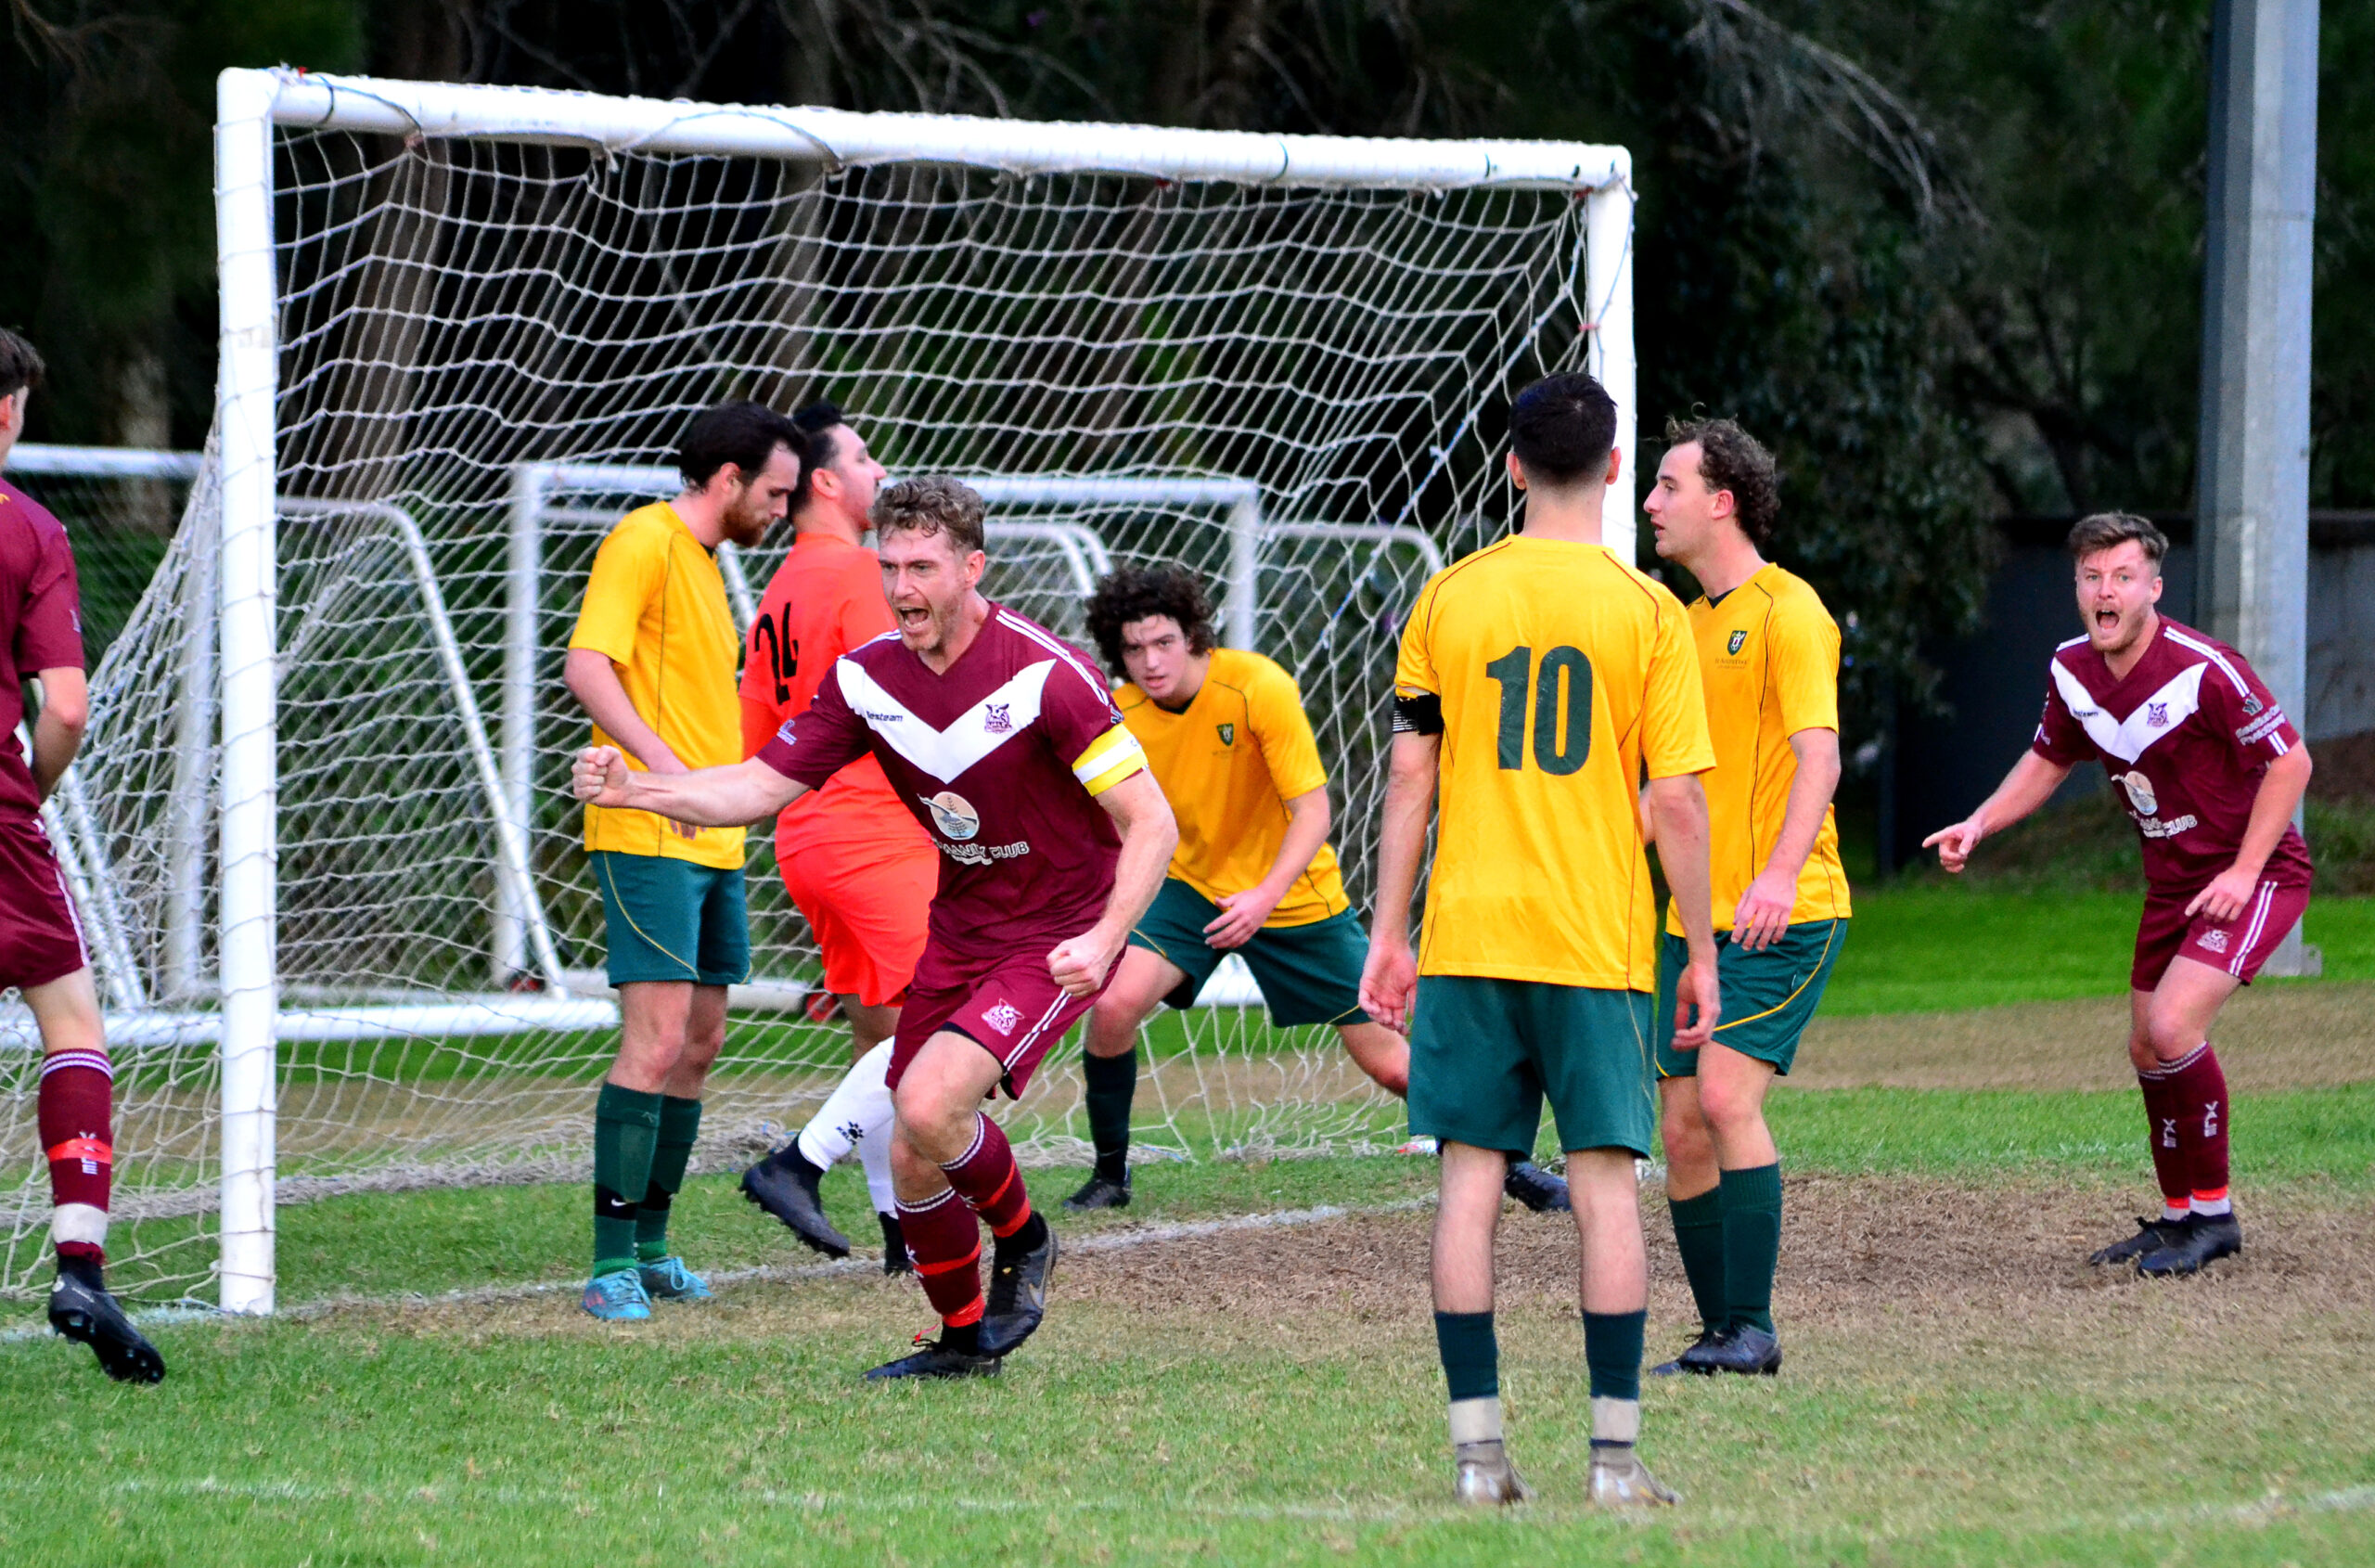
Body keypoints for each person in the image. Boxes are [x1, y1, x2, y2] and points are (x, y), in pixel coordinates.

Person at [572, 477, 1177, 1380]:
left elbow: (1152, 824)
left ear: (973, 568)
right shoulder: (864, 678)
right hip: (961, 924)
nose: (902, 587)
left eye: (923, 567)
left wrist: (1103, 939)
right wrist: (638, 789)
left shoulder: (1044, 673)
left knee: (931, 1106)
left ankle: (1026, 1237)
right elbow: (753, 789)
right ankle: (965, 1341)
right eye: (889, 565)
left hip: (1057, 927)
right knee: (908, 1145)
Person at [1362, 371, 1718, 1510]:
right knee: (1608, 1191)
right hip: (1596, 950)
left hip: (1468, 938)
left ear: (1511, 466)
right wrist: (1701, 953)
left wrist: (1387, 932)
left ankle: (1477, 1460)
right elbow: (1676, 802)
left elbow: (1409, 772)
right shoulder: (1649, 614)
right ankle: (1612, 1464)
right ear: (1614, 470)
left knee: (1468, 1185)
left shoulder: (1448, 602)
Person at [1071, 563, 1570, 1215]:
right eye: (1134, 648)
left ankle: (1515, 1167)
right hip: (1192, 888)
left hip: (1292, 892)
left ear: (1194, 635)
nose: (1150, 660)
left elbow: (1313, 812)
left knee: (1391, 1065)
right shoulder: (1121, 711)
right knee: (1111, 1009)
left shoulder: (1256, 688)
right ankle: (1111, 1176)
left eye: (1163, 642)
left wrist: (1262, 897)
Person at [1924, 512, 2312, 1279]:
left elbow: (2291, 765)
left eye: (2122, 577)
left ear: (2153, 589)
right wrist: (1980, 823)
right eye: (2092, 578)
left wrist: (2241, 872)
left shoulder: (2206, 667)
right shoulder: (2071, 668)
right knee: (2145, 1045)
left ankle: (2215, 1215)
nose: (2106, 591)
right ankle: (2177, 1219)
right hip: (2171, 886)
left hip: (2257, 874)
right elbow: (2048, 758)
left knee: (2172, 1027)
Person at [563, 400, 802, 1320]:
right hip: (647, 833)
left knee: (700, 1044)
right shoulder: (643, 539)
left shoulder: (705, 565)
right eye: (773, 493)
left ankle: (656, 1244)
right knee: (655, 1041)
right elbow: (589, 664)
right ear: (730, 478)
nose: (779, 510)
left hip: (712, 836)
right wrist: (663, 775)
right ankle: (610, 1260)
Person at [1640, 417, 1850, 1379]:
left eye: (1668, 485)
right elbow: (1665, 791)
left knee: (1724, 1097)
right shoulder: (1675, 627)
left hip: (1786, 907)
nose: (1650, 502)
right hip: (1694, 921)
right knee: (1679, 1127)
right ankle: (1723, 1329)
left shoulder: (1788, 610)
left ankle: (1754, 1327)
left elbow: (1820, 753)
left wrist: (1775, 869)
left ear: (1721, 500)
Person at [732, 401, 932, 1273]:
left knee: (879, 1032)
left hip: (806, 834)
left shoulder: (778, 588)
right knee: (942, 1027)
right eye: (863, 458)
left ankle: (900, 1233)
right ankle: (798, 1162)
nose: (878, 472)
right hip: (872, 831)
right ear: (824, 481)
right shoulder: (857, 574)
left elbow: (756, 740)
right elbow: (908, 699)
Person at [0, 328, 163, 1382]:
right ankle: (79, 1263)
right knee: (70, 1018)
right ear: (9, 409)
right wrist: (30, 789)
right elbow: (67, 706)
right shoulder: (28, 529)